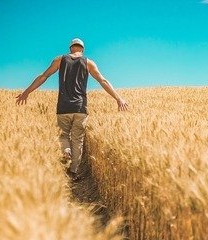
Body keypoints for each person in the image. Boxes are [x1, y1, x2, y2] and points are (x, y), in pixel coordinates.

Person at [16, 38, 128, 181]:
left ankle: (66, 151)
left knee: (63, 136)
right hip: (80, 108)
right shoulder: (89, 62)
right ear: (82, 49)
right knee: (78, 140)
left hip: (63, 107)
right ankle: (73, 171)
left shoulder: (59, 60)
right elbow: (103, 81)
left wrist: (27, 92)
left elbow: (43, 76)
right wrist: (119, 99)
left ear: (70, 49)